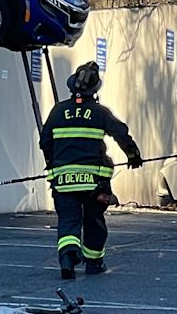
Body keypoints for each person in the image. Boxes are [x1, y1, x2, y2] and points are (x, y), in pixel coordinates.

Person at [39, 60, 142, 278]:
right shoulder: (100, 112)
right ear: (95, 90)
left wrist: (54, 162)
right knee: (94, 220)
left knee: (68, 220)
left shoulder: (58, 111)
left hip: (63, 181)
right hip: (95, 183)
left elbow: (45, 142)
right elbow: (121, 134)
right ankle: (94, 263)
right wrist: (133, 156)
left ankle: (68, 258)